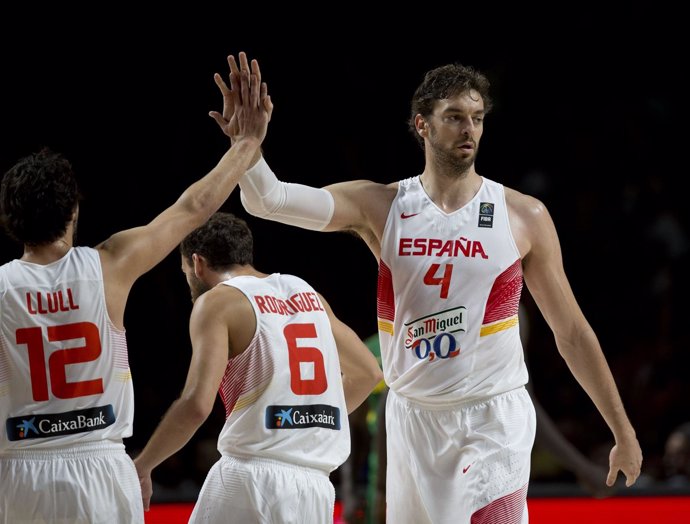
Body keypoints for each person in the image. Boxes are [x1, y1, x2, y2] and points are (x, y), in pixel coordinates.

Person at [229, 61, 644, 523]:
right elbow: (268, 200)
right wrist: (248, 147)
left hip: (492, 417)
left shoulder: (522, 215)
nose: (470, 129)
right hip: (411, 419)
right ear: (422, 125)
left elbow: (571, 332)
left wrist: (621, 428)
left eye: (478, 117)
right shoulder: (382, 205)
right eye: (455, 116)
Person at [0, 51, 270, 523]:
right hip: (101, 465)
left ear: (9, 221)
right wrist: (246, 144)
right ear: (73, 212)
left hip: (19, 471)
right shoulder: (110, 265)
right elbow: (192, 208)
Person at [133, 212, 383, 523]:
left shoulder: (217, 302)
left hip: (250, 479)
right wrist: (304, 419)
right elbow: (367, 373)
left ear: (197, 264)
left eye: (185, 271)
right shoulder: (307, 294)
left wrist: (143, 465)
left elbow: (196, 404)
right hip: (315, 487)